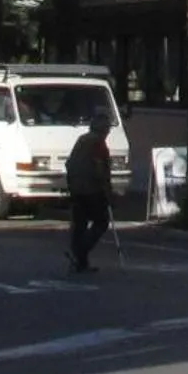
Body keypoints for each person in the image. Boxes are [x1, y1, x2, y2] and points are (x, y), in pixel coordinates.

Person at [65, 107, 116, 274]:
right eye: (107, 129)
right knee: (101, 221)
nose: (108, 132)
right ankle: (80, 252)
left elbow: (69, 163)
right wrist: (108, 193)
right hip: (91, 189)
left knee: (79, 223)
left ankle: (80, 261)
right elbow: (100, 170)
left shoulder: (82, 140)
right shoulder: (98, 144)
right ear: (104, 130)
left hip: (75, 188)